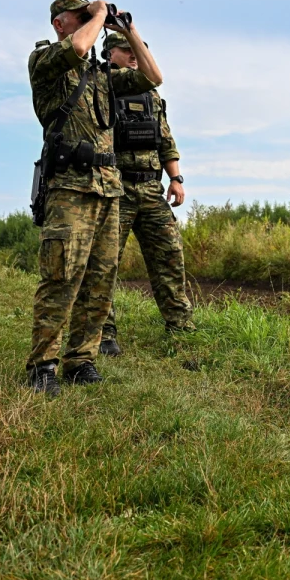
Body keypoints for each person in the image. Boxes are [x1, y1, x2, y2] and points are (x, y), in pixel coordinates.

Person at [27, 0, 165, 397]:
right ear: (59, 23)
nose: (90, 19)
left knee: (101, 280)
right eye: (80, 15)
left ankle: (81, 359)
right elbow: (80, 46)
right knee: (61, 276)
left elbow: (154, 78)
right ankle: (43, 365)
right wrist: (99, 13)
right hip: (69, 187)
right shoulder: (46, 61)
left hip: (109, 188)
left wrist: (128, 30)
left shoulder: (103, 75)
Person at [99, 31, 193, 355]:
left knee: (170, 255)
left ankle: (180, 325)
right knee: (106, 263)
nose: (135, 55)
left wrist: (176, 179)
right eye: (127, 50)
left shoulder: (151, 95)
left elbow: (165, 140)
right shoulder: (102, 86)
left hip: (151, 189)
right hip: (115, 189)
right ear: (110, 53)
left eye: (137, 50)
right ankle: (103, 333)